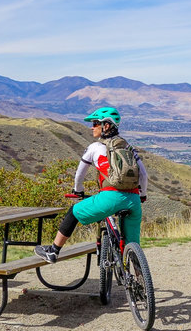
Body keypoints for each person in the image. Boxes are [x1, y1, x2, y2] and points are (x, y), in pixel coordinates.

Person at [34, 106, 148, 264]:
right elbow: (143, 175)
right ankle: (138, 276)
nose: (92, 127)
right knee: (132, 244)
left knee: (73, 212)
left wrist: (78, 190)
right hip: (134, 199)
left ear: (106, 126)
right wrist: (142, 195)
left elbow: (80, 173)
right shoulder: (128, 148)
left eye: (95, 123)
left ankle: (53, 251)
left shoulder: (95, 148)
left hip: (110, 197)